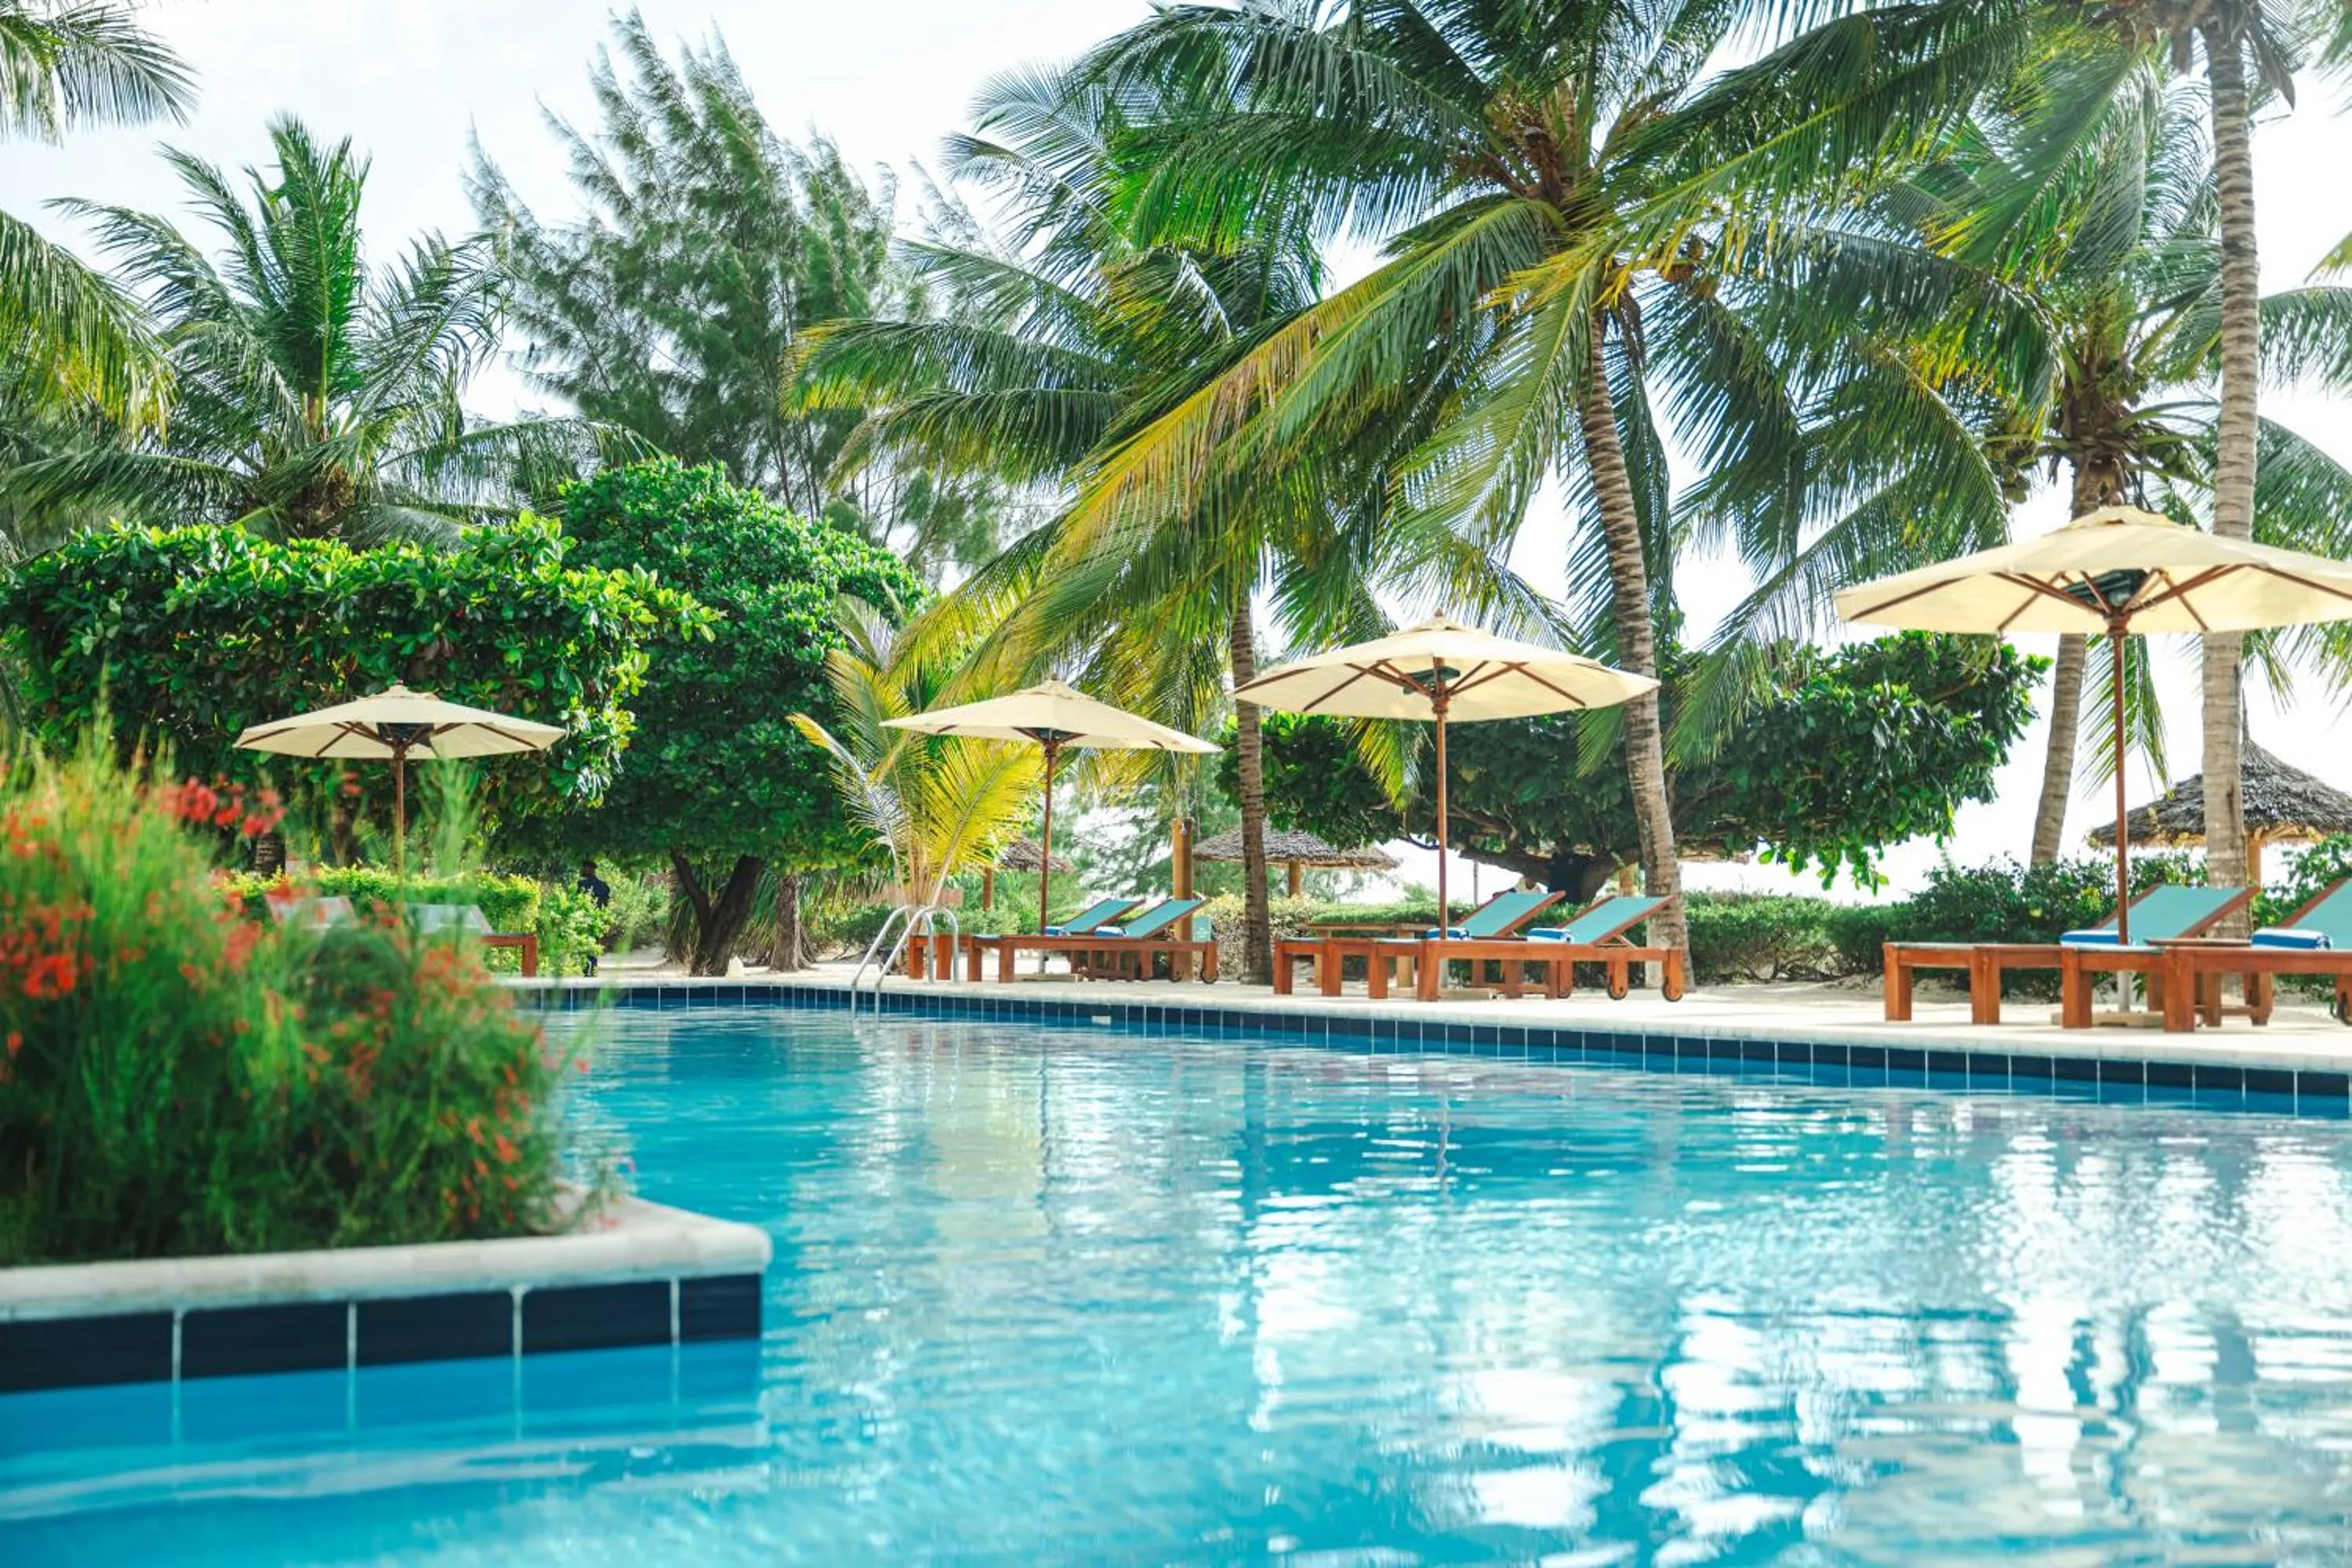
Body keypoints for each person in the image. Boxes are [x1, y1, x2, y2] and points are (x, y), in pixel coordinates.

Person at [577, 860, 612, 975]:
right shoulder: (604, 886)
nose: (582, 870)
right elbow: (607, 906)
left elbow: (577, 903)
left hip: (584, 920)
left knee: (584, 947)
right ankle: (593, 971)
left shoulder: (581, 884)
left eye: (584, 868)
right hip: (598, 921)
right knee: (595, 946)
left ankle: (586, 971)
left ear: (591, 870)